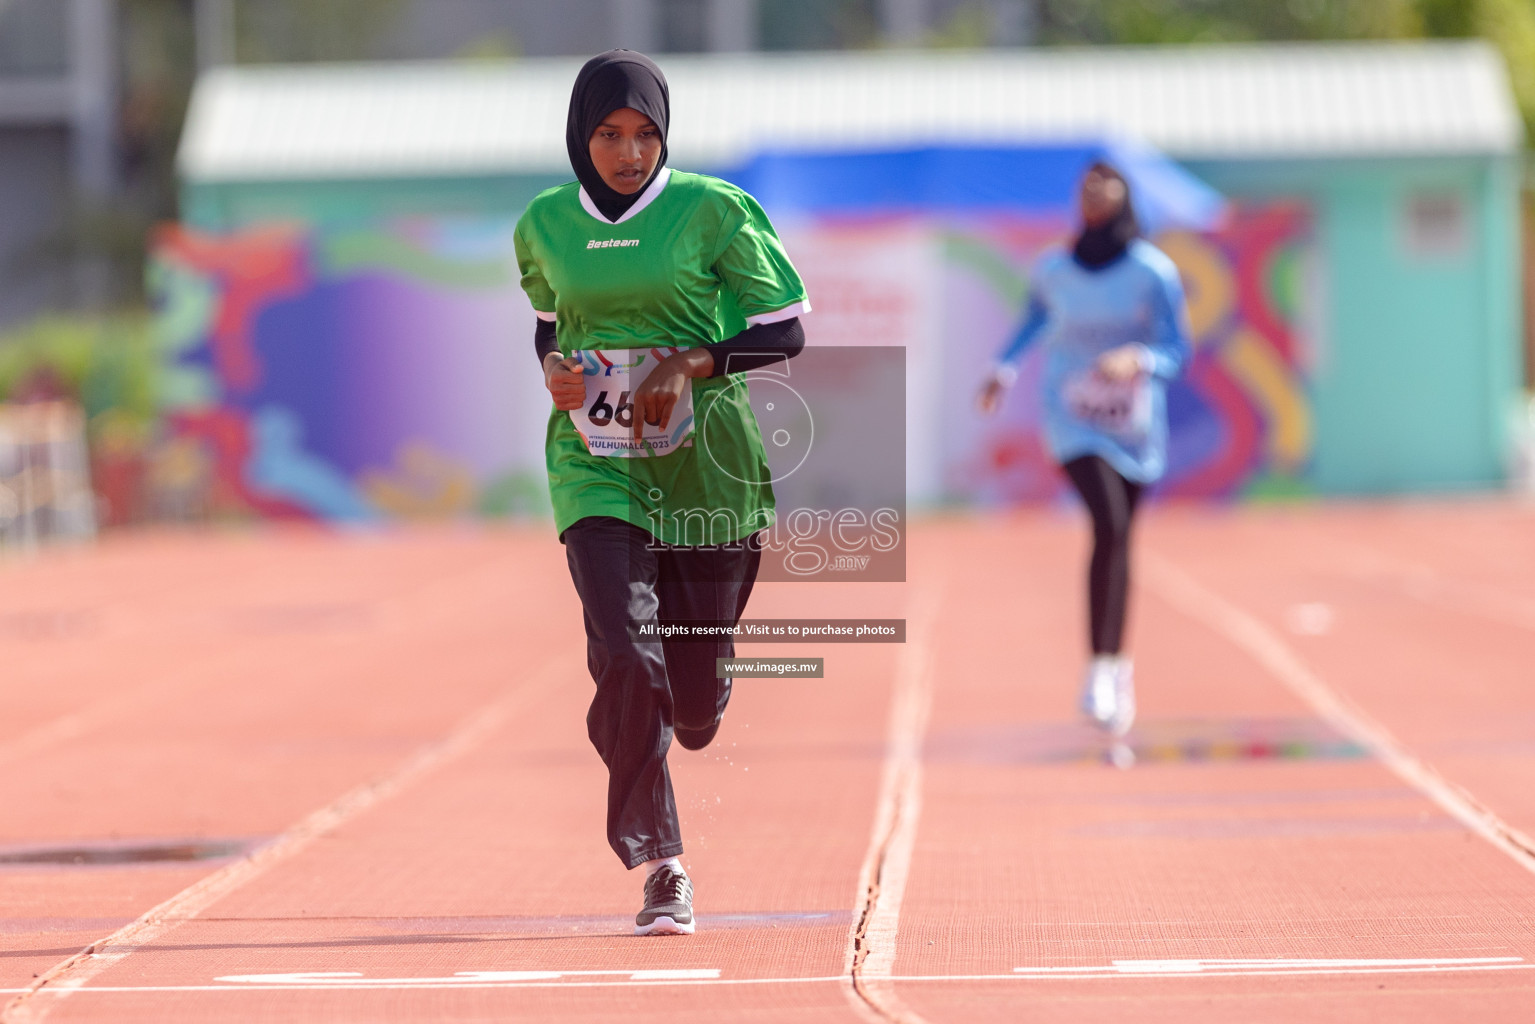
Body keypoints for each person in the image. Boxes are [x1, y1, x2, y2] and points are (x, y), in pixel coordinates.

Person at [514, 50, 809, 936]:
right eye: (608, 134)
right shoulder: (543, 224)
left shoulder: (714, 211)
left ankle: (701, 690)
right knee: (624, 653)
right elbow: (547, 332)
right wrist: (560, 372)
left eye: (644, 134)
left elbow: (784, 331)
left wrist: (690, 361)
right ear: (580, 137)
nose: (627, 152)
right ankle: (661, 863)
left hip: (705, 465)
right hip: (595, 463)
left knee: (691, 700)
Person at [976, 162, 1191, 739]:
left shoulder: (1153, 272)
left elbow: (1175, 347)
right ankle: (1098, 669)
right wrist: (1004, 367)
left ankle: (1117, 667)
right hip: (1072, 417)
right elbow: (1034, 320)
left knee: (1121, 537)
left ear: (1125, 197)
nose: (1094, 192)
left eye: (1107, 183)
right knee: (1108, 522)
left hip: (1133, 422)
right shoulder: (1053, 269)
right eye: (1085, 185)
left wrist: (1139, 359)